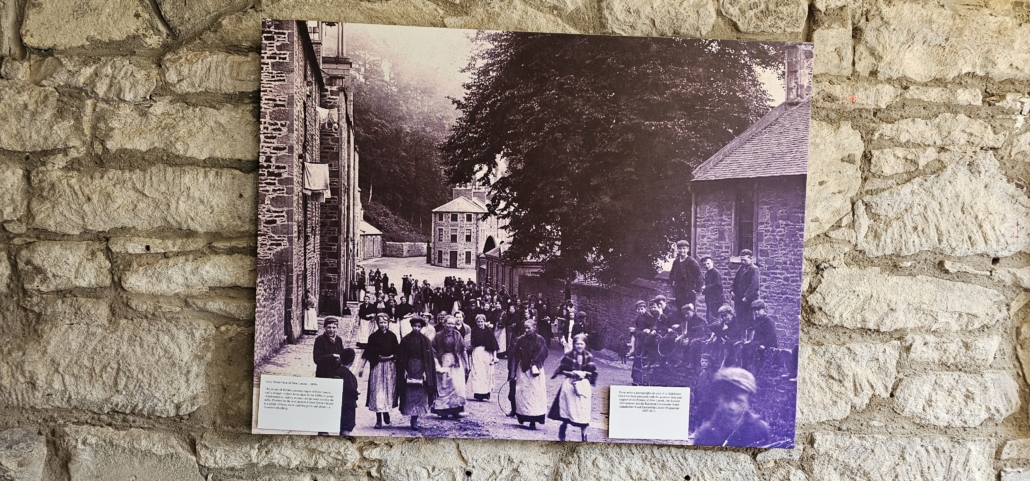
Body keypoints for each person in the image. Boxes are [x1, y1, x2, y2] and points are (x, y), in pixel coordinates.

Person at [691, 367, 771, 447]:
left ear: (748, 402)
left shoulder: (759, 430)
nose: (732, 407)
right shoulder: (705, 434)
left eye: (738, 401)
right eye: (727, 399)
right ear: (718, 399)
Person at [547, 333, 598, 441]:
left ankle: (584, 436)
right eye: (577, 344)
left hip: (583, 386)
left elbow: (593, 372)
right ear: (574, 344)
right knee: (568, 409)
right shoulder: (569, 355)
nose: (579, 346)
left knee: (583, 411)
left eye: (581, 344)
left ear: (585, 345)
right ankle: (563, 428)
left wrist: (585, 374)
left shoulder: (589, 357)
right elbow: (562, 369)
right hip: (569, 385)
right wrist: (572, 373)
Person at [395, 316, 436, 430]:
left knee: (420, 395)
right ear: (411, 326)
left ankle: (415, 420)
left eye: (419, 327)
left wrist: (426, 372)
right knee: (409, 394)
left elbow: (428, 359)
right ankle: (410, 415)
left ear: (421, 327)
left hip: (421, 369)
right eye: (415, 326)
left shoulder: (426, 340)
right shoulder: (405, 340)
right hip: (409, 367)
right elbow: (402, 357)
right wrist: (404, 371)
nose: (416, 329)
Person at [358, 314, 399, 429]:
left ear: (388, 323)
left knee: (388, 391)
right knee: (377, 393)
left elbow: (398, 351)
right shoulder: (373, 337)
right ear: (377, 323)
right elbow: (367, 352)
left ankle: (386, 412)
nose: (383, 325)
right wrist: (362, 367)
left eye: (385, 322)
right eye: (381, 322)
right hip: (377, 367)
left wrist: (392, 357)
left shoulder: (392, 336)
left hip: (390, 368)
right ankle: (378, 419)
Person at [510, 319, 549, 429]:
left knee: (535, 394)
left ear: (534, 327)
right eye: (525, 328)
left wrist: (535, 363)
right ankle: (523, 417)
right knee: (523, 394)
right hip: (523, 370)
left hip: (536, 371)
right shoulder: (520, 340)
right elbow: (515, 355)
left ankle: (534, 420)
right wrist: (512, 372)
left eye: (529, 328)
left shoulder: (540, 340)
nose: (527, 330)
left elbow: (543, 353)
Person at [430, 315, 468, 419]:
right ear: (444, 323)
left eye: (452, 323)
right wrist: (436, 363)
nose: (450, 325)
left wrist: (466, 364)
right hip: (444, 360)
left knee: (457, 386)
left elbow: (463, 349)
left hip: (456, 361)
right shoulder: (438, 336)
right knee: (445, 386)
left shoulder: (457, 334)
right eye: (448, 323)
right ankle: (443, 410)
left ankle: (456, 410)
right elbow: (432, 349)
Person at [468, 314, 500, 401]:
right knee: (477, 372)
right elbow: (472, 343)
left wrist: (494, 356)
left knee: (486, 373)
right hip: (477, 352)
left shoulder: (489, 331)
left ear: (484, 321)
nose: (480, 323)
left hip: (486, 353)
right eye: (478, 322)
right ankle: (478, 394)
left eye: (481, 321)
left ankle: (486, 393)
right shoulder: (474, 330)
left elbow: (494, 344)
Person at [742, 300, 778, 375]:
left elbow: (772, 336)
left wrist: (764, 345)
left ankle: (755, 372)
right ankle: (745, 369)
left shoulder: (768, 320)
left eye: (758, 310)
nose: (756, 312)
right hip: (758, 342)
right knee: (745, 347)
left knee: (753, 349)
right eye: (754, 310)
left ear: (763, 309)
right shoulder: (757, 320)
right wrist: (751, 341)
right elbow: (757, 335)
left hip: (769, 344)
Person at [669, 240, 703, 310]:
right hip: (678, 292)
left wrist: (697, 289)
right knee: (679, 312)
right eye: (680, 248)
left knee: (689, 312)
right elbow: (672, 274)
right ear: (678, 250)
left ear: (688, 249)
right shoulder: (676, 262)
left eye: (684, 248)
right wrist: (672, 284)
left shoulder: (692, 262)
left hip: (689, 293)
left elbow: (699, 276)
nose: (682, 250)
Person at [731, 249, 761, 327]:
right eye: (741, 260)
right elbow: (735, 281)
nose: (743, 262)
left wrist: (746, 296)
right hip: (739, 299)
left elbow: (755, 285)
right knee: (740, 319)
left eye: (745, 260)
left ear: (750, 258)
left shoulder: (754, 269)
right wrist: (732, 290)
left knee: (749, 320)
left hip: (749, 300)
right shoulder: (741, 269)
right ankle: (742, 338)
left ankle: (749, 338)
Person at [334, 348, 359, 435]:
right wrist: (356, 393)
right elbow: (350, 389)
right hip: (348, 405)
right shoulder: (348, 374)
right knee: (346, 428)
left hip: (338, 404)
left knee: (341, 426)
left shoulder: (337, 371)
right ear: (352, 361)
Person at [701, 256, 725, 322]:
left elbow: (717, 284)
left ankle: (717, 331)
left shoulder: (716, 273)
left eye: (708, 263)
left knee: (715, 317)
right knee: (709, 317)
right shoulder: (707, 273)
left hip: (716, 299)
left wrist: (706, 287)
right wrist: (704, 290)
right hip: (710, 299)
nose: (706, 266)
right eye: (704, 264)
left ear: (712, 263)